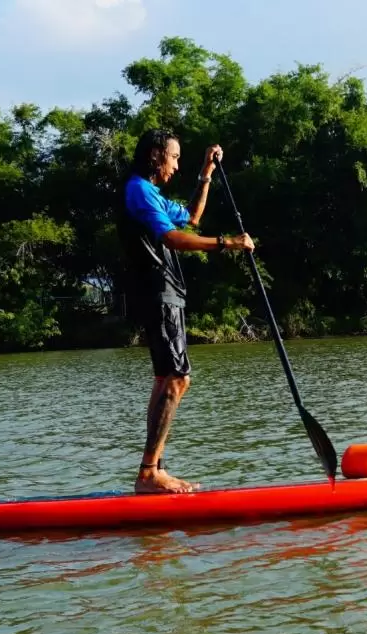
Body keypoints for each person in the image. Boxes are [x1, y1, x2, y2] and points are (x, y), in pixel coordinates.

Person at [119, 129, 254, 494]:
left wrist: (206, 173)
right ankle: (149, 473)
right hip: (157, 292)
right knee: (177, 378)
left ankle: (154, 469)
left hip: (166, 293)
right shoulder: (139, 191)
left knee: (168, 379)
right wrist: (227, 243)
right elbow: (172, 239)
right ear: (155, 156)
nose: (176, 166)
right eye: (174, 158)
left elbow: (191, 220)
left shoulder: (154, 196)